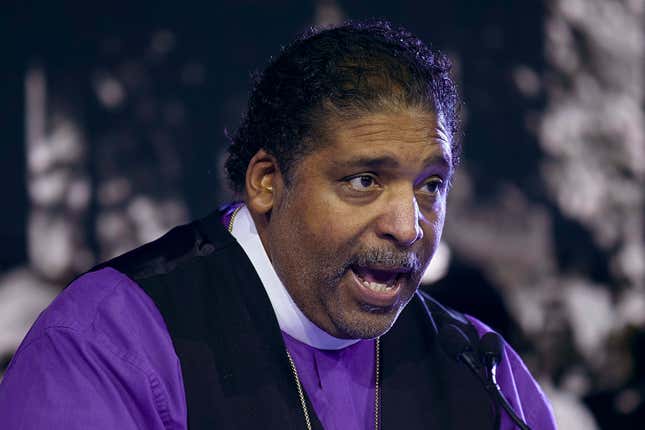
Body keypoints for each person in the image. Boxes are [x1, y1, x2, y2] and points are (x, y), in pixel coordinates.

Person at [0, 21, 556, 429]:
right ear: (267, 181)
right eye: (364, 180)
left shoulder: (482, 372)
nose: (408, 227)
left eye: (430, 186)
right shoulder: (107, 343)